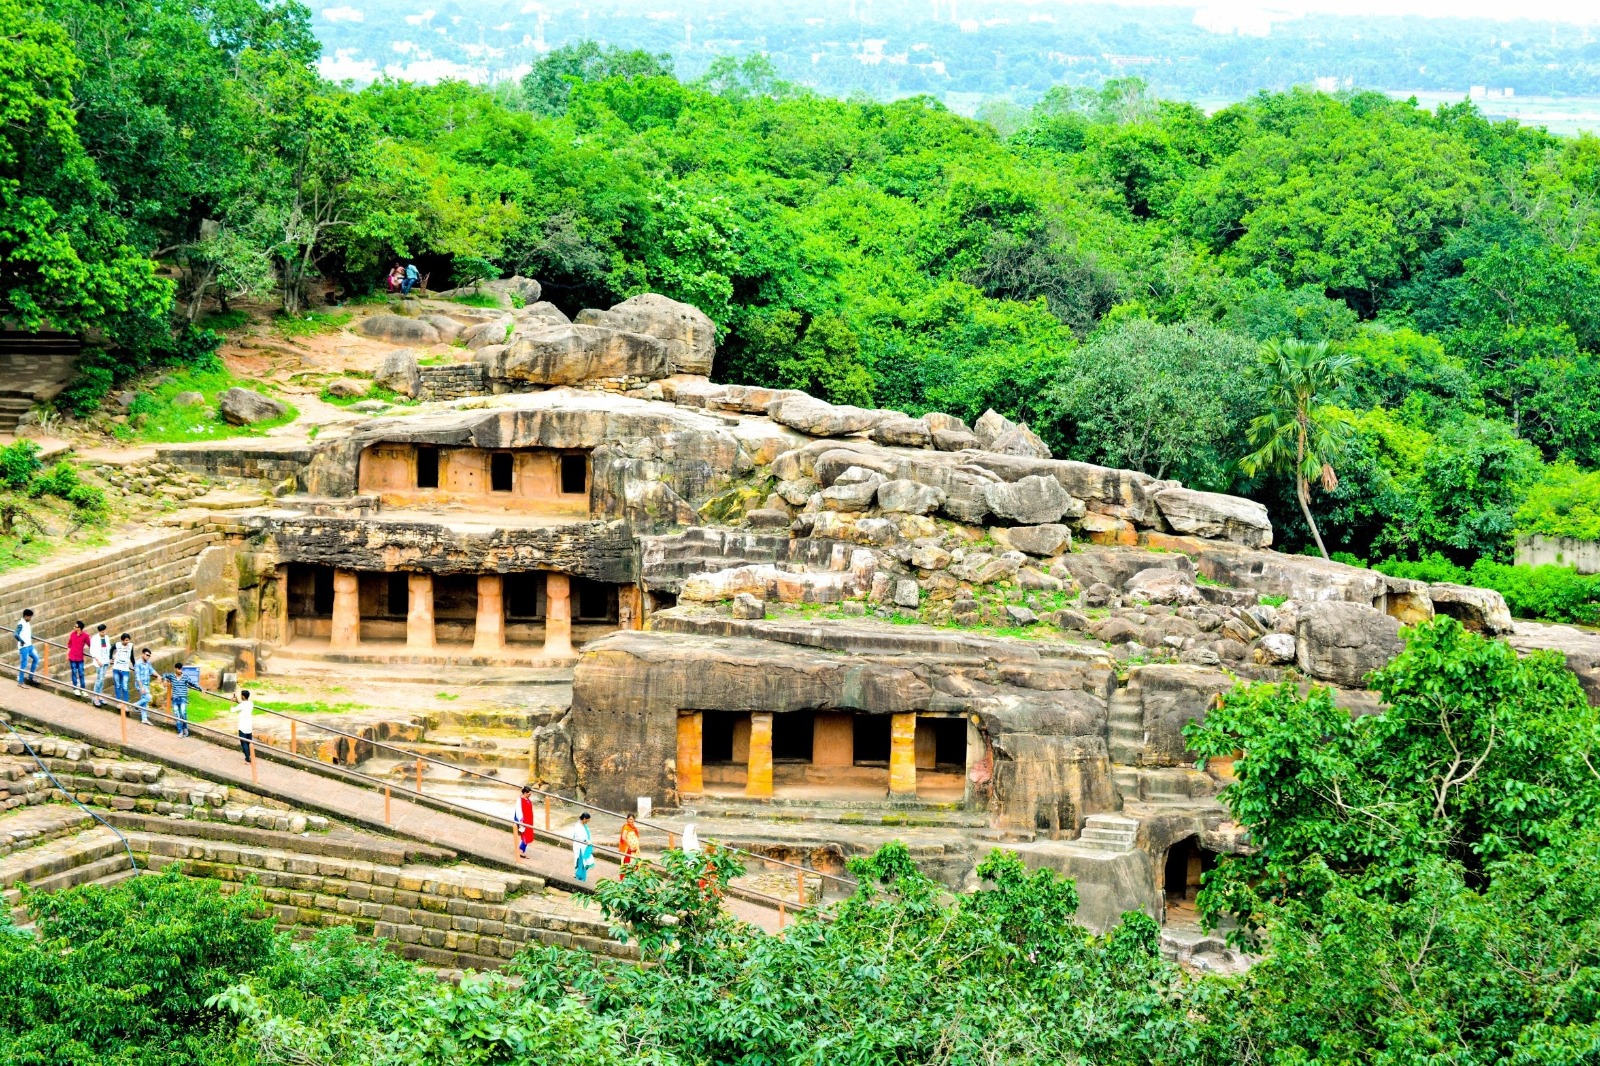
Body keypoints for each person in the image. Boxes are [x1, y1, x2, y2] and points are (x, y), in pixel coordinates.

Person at [163, 661, 192, 737]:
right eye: (179, 669)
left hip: (182, 698)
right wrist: (165, 680)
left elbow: (192, 683)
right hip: (175, 699)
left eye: (181, 669)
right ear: (176, 669)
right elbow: (164, 675)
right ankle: (180, 731)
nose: (180, 671)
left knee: (183, 712)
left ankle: (185, 727)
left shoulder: (185, 677)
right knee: (177, 715)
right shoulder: (172, 676)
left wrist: (201, 689)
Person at [88, 624, 111, 706]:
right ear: (99, 631)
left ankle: (100, 695)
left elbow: (108, 648)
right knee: (99, 679)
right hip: (99, 661)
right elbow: (92, 650)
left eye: (105, 631)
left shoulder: (107, 637)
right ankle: (95, 696)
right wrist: (97, 660)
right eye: (102, 632)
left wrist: (109, 658)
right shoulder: (94, 638)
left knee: (102, 678)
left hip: (105, 660)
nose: (104, 633)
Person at [13, 608, 37, 687]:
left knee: (36, 659)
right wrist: (21, 641)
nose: (30, 619)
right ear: (26, 616)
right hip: (24, 647)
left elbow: (26, 632)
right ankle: (20, 682)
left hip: (29, 646)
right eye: (29, 617)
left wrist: (30, 636)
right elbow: (15, 634)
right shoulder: (21, 623)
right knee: (24, 664)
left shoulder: (27, 623)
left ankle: (30, 677)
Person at [570, 811, 594, 882]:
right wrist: (586, 841)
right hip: (580, 846)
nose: (587, 822)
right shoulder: (578, 826)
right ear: (584, 819)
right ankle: (579, 876)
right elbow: (579, 837)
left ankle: (579, 875)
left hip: (584, 846)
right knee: (581, 861)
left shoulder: (584, 825)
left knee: (585, 861)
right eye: (587, 820)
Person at [133, 648, 155, 724]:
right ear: (142, 654)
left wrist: (158, 676)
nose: (148, 657)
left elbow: (152, 670)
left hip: (146, 684)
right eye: (147, 655)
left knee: (144, 702)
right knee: (149, 697)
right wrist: (141, 687)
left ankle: (144, 718)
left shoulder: (148, 663)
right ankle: (135, 705)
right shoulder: (138, 663)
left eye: (149, 656)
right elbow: (137, 677)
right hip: (141, 685)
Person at [514, 785, 536, 860]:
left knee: (528, 835)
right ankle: (521, 850)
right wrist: (521, 821)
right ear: (525, 793)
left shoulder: (526, 798)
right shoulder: (520, 800)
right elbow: (518, 811)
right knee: (526, 836)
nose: (530, 795)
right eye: (529, 794)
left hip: (529, 820)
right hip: (524, 821)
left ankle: (521, 850)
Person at [111, 633, 133, 704]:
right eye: (126, 640)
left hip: (125, 669)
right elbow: (111, 649)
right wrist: (110, 658)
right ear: (122, 640)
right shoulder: (117, 644)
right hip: (116, 668)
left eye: (128, 640)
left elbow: (132, 656)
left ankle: (126, 702)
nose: (128, 642)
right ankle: (118, 701)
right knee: (117, 685)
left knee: (125, 686)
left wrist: (134, 664)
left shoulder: (130, 646)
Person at [66, 620, 89, 691]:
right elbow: (69, 644)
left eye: (75, 626)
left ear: (79, 628)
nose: (74, 627)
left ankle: (83, 688)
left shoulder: (85, 636)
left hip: (80, 658)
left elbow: (90, 644)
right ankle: (75, 687)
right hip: (72, 657)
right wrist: (67, 654)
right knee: (74, 672)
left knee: (81, 673)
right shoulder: (72, 634)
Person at [236, 689, 254, 763]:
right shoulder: (251, 703)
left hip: (242, 726)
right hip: (249, 725)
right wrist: (237, 701)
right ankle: (250, 755)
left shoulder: (242, 705)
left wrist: (231, 702)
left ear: (243, 696)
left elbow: (232, 710)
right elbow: (243, 704)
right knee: (249, 741)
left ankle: (247, 757)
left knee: (243, 742)